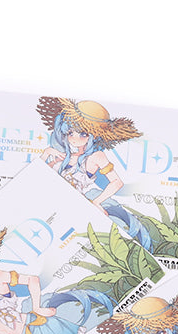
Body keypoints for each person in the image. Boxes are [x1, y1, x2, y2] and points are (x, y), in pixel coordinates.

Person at [36, 96, 151, 250]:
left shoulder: (95, 157)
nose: (75, 138)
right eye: (70, 133)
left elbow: (117, 182)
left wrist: (96, 202)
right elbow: (37, 177)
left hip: (80, 205)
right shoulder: (62, 156)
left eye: (83, 134)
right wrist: (46, 153)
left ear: (93, 136)